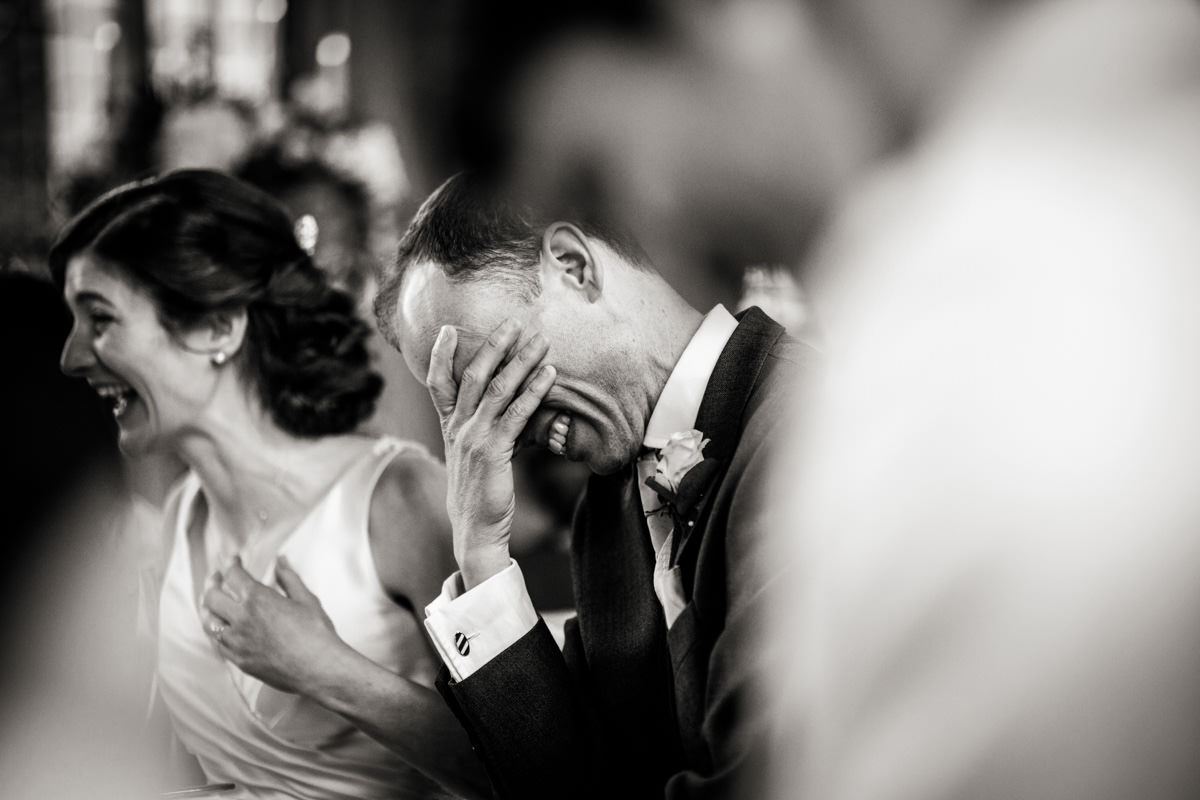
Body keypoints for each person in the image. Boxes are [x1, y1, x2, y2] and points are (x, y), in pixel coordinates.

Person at [50, 169, 488, 800]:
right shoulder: (177, 517)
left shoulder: (399, 500)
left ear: (218, 327)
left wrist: (325, 668)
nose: (71, 356)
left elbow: (528, 772)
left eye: (99, 318)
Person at [378, 173, 812, 798]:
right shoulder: (605, 513)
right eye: (459, 408)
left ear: (574, 266)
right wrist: (479, 553)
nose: (495, 434)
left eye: (486, 378)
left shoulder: (801, 431)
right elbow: (575, 783)